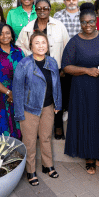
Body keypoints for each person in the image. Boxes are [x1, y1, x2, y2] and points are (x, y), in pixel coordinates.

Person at [62, 11, 99, 175]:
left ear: (96, 21)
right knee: (86, 121)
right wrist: (86, 70)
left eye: (91, 21)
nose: (88, 25)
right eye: (84, 22)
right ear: (80, 23)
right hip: (82, 87)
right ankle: (89, 158)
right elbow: (66, 66)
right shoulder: (74, 42)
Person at [13, 32, 62, 186]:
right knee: (29, 141)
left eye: (43, 43)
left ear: (47, 45)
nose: (41, 46)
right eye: (37, 43)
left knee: (46, 138)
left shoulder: (52, 62)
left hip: (48, 107)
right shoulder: (24, 64)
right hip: (30, 109)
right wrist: (19, 112)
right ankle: (30, 170)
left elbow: (57, 84)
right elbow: (18, 90)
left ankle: (47, 166)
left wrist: (57, 104)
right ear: (31, 46)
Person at [50, 0, 81, 141]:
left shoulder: (84, 15)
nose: (71, 2)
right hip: (63, 59)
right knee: (61, 90)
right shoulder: (58, 16)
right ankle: (60, 121)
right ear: (64, 1)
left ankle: (71, 112)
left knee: (76, 90)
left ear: (77, 0)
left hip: (81, 60)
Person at [16, 0, 70, 67]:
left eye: (45, 8)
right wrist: (31, 54)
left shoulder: (59, 26)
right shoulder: (27, 28)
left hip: (56, 68)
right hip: (34, 68)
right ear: (35, 10)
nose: (42, 10)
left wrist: (64, 67)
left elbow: (67, 48)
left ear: (49, 9)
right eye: (39, 8)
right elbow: (19, 47)